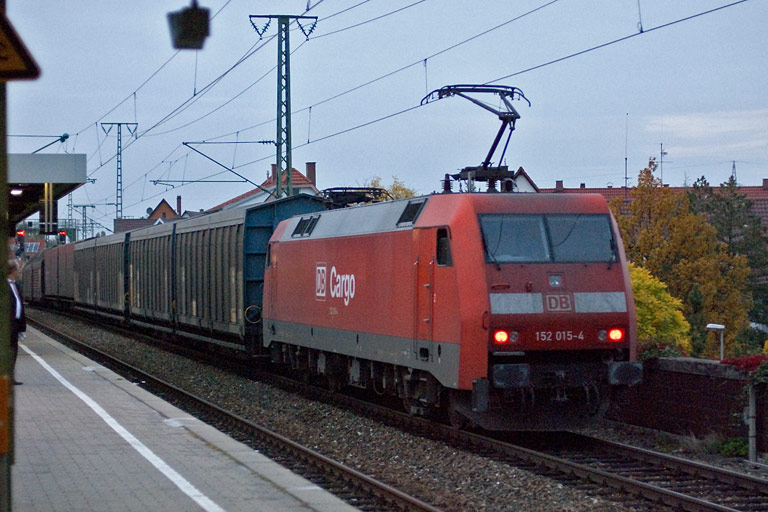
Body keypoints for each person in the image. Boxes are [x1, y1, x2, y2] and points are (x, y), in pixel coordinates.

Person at [7, 259, 25, 385]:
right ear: (13, 270)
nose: (19, 271)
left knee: (14, 351)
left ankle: (10, 377)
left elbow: (20, 304)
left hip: (16, 324)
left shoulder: (16, 285)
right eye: (18, 268)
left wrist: (22, 326)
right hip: (7, 325)